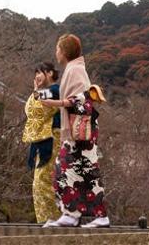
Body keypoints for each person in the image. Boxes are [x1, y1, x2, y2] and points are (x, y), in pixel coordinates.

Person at [40, 34, 110, 228]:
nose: (56, 52)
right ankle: (75, 213)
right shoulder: (73, 69)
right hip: (77, 132)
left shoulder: (76, 70)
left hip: (80, 132)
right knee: (72, 171)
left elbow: (81, 99)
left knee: (74, 171)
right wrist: (41, 92)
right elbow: (63, 94)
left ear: (63, 51)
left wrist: (57, 102)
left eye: (57, 49)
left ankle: (78, 214)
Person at [21, 62, 61, 224]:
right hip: (46, 138)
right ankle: (48, 218)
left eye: (40, 72)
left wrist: (36, 92)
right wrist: (36, 92)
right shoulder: (47, 92)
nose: (37, 76)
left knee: (43, 179)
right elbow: (31, 109)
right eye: (35, 72)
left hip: (52, 136)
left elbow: (35, 108)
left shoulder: (55, 90)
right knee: (41, 180)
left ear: (50, 73)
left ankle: (52, 218)